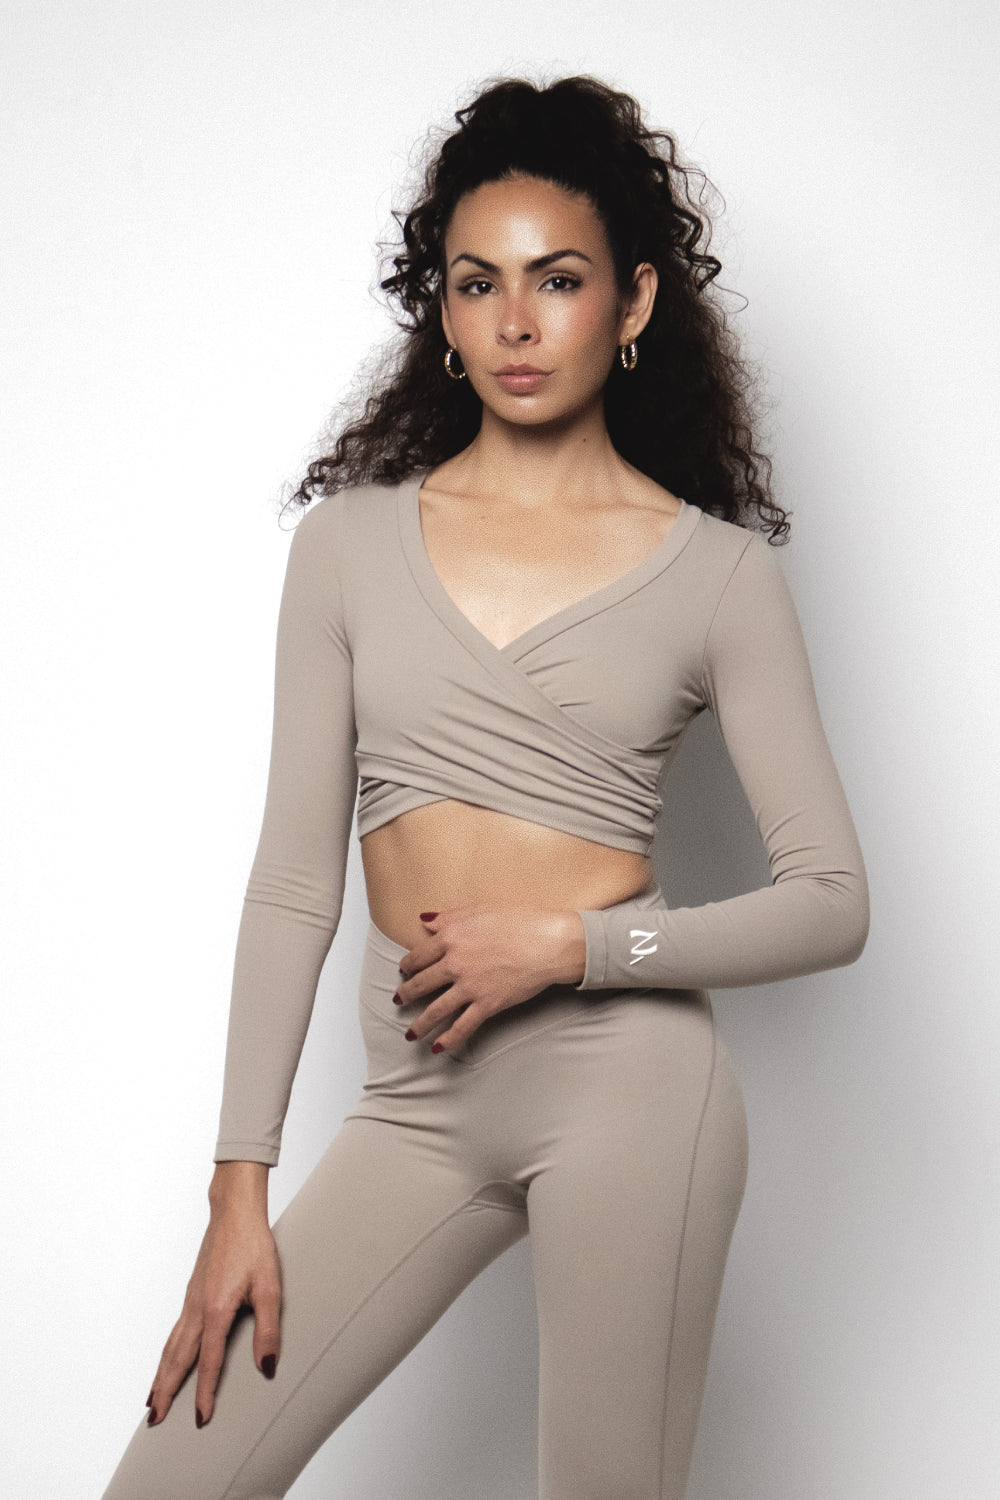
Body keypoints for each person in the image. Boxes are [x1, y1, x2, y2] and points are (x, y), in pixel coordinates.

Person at [101, 73, 869, 1500]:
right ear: (443, 314)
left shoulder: (719, 577)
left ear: (633, 303)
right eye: (478, 282)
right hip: (414, 1098)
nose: (517, 321)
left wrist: (574, 948)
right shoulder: (346, 545)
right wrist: (238, 1185)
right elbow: (293, 880)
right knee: (171, 1484)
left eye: (557, 279)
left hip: (628, 1088)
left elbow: (833, 903)